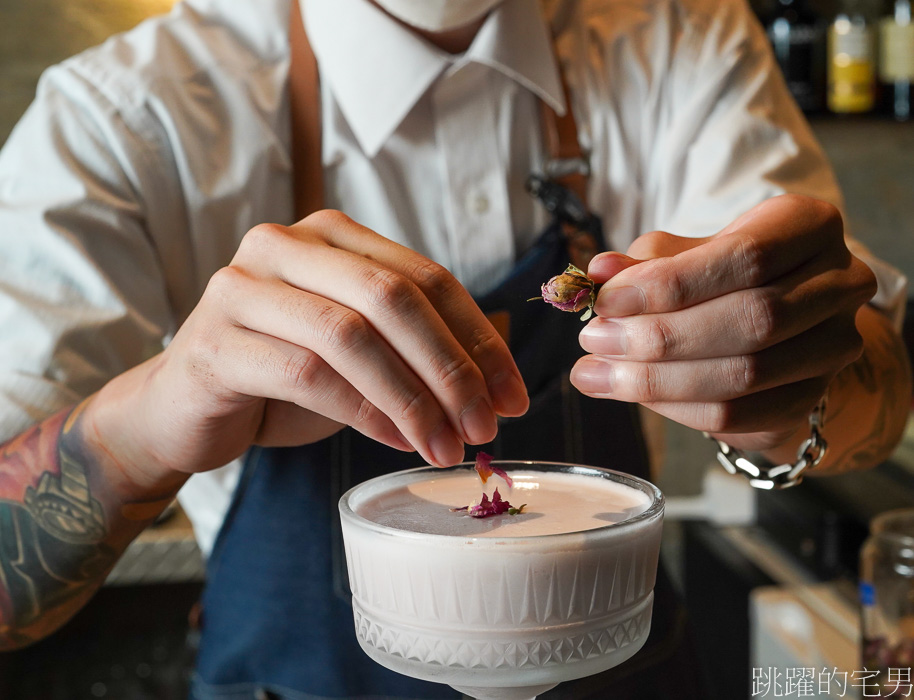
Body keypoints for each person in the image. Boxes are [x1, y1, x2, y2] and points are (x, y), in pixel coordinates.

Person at [0, 0, 909, 698]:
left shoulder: (682, 34)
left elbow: (875, 388)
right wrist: (143, 429)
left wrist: (801, 379)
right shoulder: (124, 118)